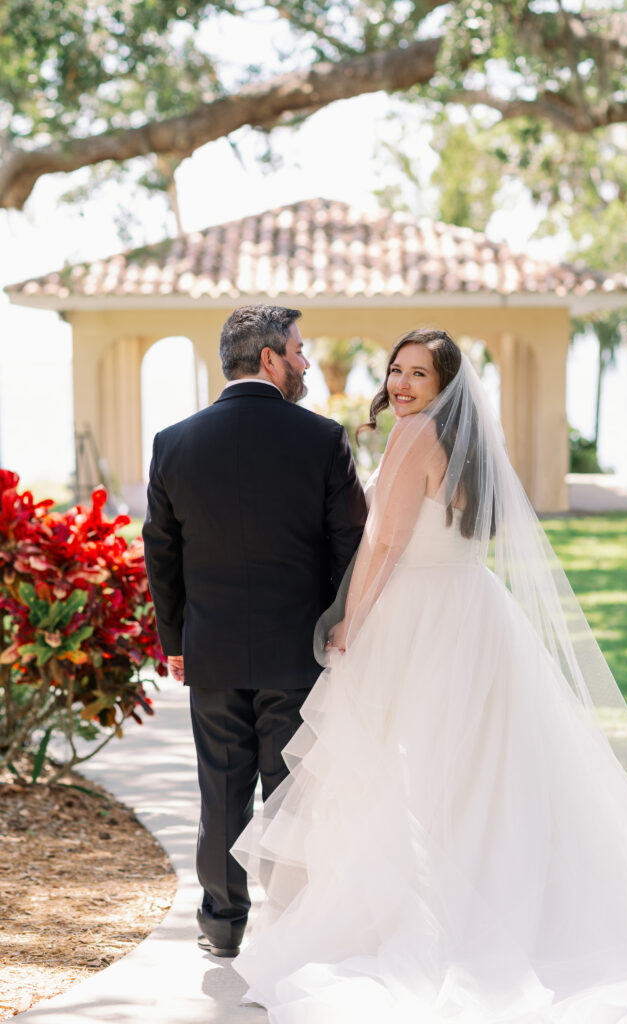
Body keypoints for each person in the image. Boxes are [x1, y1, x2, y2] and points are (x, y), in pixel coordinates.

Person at [231, 327, 627, 1023]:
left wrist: (351, 620)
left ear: (444, 386)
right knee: (479, 772)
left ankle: (420, 919)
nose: (402, 385)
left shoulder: (413, 435)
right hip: (475, 612)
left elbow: (385, 544)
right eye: (396, 371)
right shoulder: (466, 443)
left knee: (398, 770)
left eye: (418, 374)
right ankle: (493, 904)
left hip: (416, 618)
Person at [142, 304, 366, 958]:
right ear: (268, 358)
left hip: (210, 651)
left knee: (221, 793)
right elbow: (348, 544)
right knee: (293, 795)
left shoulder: (173, 442)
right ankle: (293, 928)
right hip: (299, 651)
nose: (304, 363)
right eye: (297, 351)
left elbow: (162, 551)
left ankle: (222, 925)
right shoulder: (321, 439)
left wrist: (175, 641)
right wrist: (335, 626)